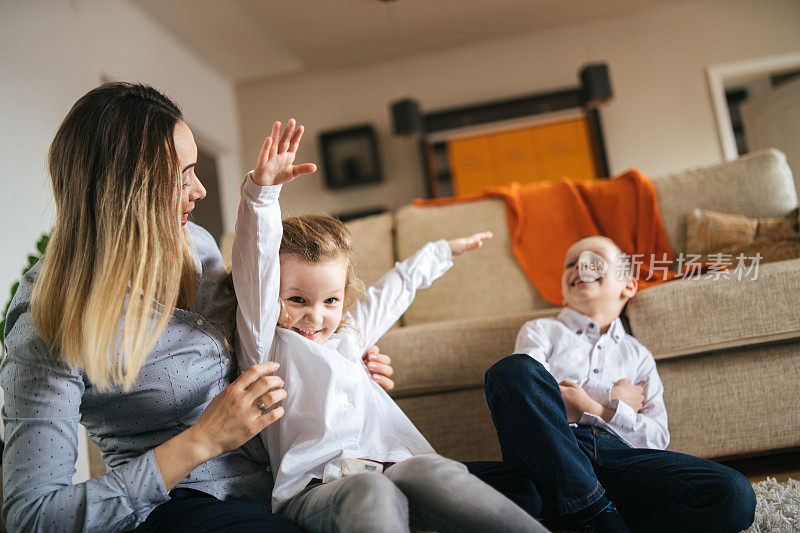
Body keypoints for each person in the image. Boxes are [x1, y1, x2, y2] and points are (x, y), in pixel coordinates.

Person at [0, 82, 395, 532]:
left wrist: (337, 360)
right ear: (129, 187)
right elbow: (30, 516)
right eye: (184, 175)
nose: (201, 190)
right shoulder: (48, 319)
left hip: (295, 479)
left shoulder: (197, 245)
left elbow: (266, 325)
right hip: (186, 505)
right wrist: (200, 442)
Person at [232, 119, 549, 533]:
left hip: (392, 464)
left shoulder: (348, 337)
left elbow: (393, 289)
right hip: (316, 491)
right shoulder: (266, 345)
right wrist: (262, 194)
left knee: (435, 471)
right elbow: (253, 267)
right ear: (272, 297)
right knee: (372, 490)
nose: (315, 316)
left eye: (330, 301)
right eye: (296, 300)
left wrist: (441, 252)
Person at [484, 235, 757, 532]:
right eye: (571, 264)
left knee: (734, 494)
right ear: (563, 291)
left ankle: (585, 515)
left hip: (618, 457)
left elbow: (656, 438)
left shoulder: (637, 355)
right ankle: (596, 513)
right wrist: (614, 396)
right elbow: (533, 396)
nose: (580, 267)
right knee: (511, 371)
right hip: (551, 452)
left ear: (628, 284)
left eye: (595, 260)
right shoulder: (541, 331)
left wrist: (595, 410)